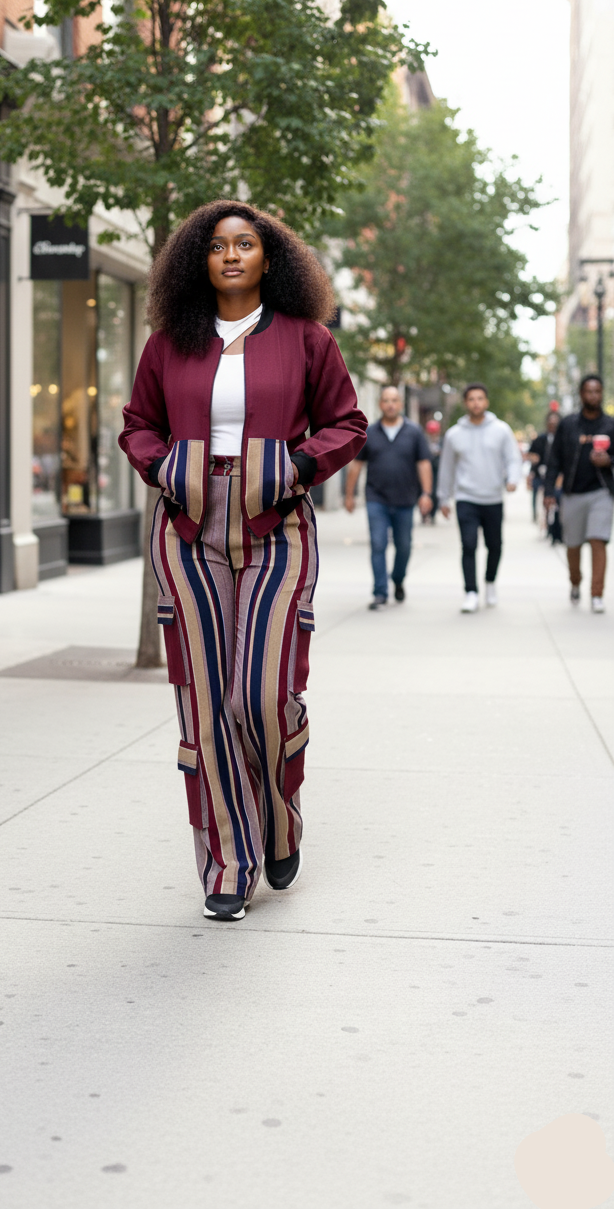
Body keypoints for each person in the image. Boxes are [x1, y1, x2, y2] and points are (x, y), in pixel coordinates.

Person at [119, 200, 367, 922]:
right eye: (218, 246)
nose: (231, 255)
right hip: (188, 526)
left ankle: (280, 815)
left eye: (246, 244)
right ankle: (229, 860)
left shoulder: (307, 338)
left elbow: (346, 423)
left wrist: (294, 467)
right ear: (198, 260)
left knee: (254, 695)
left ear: (270, 257)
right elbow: (139, 425)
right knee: (204, 702)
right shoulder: (170, 341)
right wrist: (164, 469)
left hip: (276, 524)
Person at [343, 386, 433, 608]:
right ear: (380, 404)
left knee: (404, 546)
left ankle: (398, 579)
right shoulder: (370, 432)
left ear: (400, 404)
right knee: (378, 544)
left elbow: (423, 464)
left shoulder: (414, 432)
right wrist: (349, 495)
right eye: (386, 400)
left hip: (405, 500)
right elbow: (356, 466)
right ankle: (380, 592)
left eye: (394, 400)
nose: (390, 404)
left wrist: (426, 494)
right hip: (376, 499)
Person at [437, 383, 522, 612]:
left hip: (493, 498)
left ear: (487, 402)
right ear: (466, 403)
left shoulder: (501, 430)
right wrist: (443, 498)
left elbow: (513, 458)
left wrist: (513, 479)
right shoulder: (454, 434)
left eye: (480, 398)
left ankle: (490, 582)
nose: (476, 403)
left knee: (495, 546)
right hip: (466, 498)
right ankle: (471, 592)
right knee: (468, 544)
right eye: (472, 399)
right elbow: (447, 469)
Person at [543, 375, 614, 612]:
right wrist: (550, 490)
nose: (593, 396)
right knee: (572, 545)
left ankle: (597, 594)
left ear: (601, 394)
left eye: (597, 391)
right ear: (581, 394)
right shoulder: (568, 424)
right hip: (572, 493)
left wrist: (608, 461)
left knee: (598, 541)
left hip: (601, 492)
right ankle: (575, 582)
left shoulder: (610, 425)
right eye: (588, 391)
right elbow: (554, 460)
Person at [527, 410, 562, 540]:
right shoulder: (540, 439)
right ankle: (544, 523)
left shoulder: (563, 439)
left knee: (556, 500)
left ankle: (556, 528)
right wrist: (533, 458)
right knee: (540, 497)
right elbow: (530, 453)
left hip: (556, 476)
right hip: (540, 473)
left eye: (555, 423)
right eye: (550, 422)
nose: (552, 425)